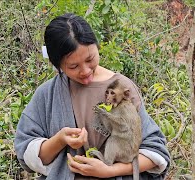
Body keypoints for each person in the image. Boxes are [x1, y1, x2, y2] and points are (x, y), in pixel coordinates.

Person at [14, 13, 170, 180]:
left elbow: (155, 151)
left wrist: (110, 170)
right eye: (73, 66)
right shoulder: (47, 94)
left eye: (90, 59)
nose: (85, 71)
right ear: (57, 65)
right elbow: (26, 154)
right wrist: (60, 139)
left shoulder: (122, 88)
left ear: (97, 45)